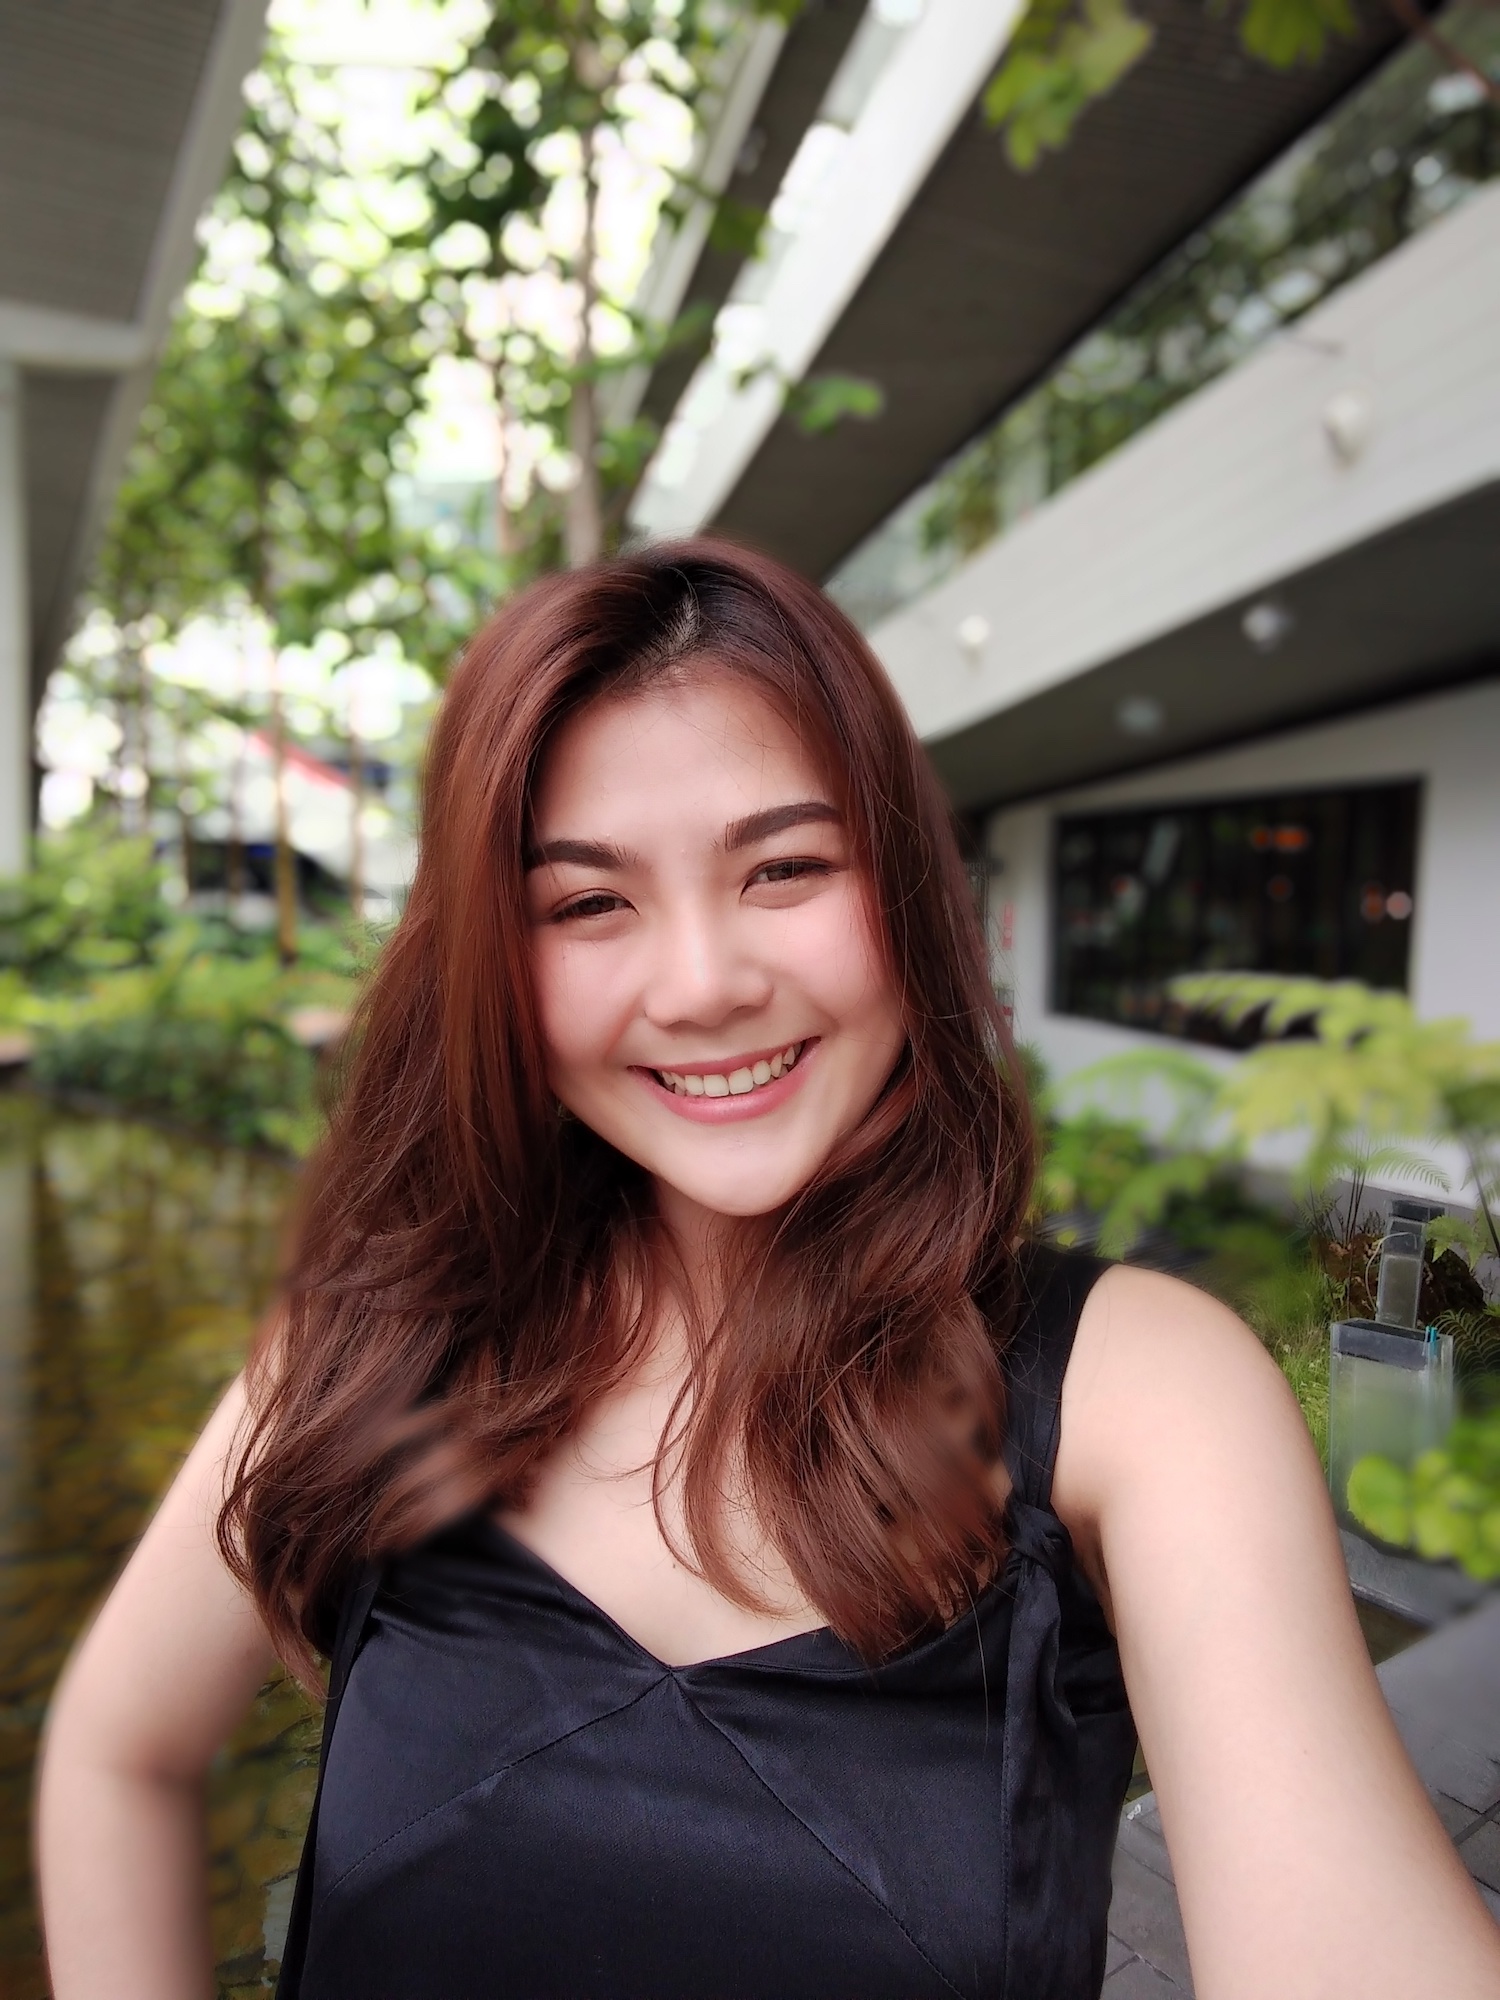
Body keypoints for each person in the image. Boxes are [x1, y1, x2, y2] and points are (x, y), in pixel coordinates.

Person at [37, 542, 1500, 2000]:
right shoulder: (388, 1335)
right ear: (496, 959)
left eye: (787, 867)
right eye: (588, 902)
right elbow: (119, 1749)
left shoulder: (1139, 1395)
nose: (703, 985)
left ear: (909, 891)